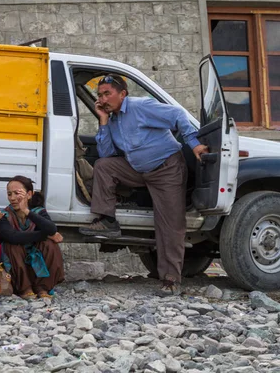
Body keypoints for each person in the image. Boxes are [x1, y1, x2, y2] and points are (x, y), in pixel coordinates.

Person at [79, 74, 208, 296]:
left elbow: (177, 114)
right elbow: (108, 154)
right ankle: (107, 220)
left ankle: (170, 279)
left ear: (123, 94)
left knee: (170, 225)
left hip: (166, 170)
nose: (102, 99)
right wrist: (102, 120)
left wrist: (194, 144)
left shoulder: (140, 107)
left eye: (107, 94)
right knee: (104, 165)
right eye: (99, 95)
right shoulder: (113, 119)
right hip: (138, 170)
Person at [0, 176, 64, 300]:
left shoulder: (38, 212)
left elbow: (51, 228)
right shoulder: (3, 215)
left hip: (36, 265)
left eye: (17, 193)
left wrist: (26, 211)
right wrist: (44, 235)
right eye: (9, 194)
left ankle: (42, 288)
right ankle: (25, 289)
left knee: (49, 244)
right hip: (16, 268)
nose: (13, 198)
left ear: (29, 194)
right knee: (11, 245)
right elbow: (12, 237)